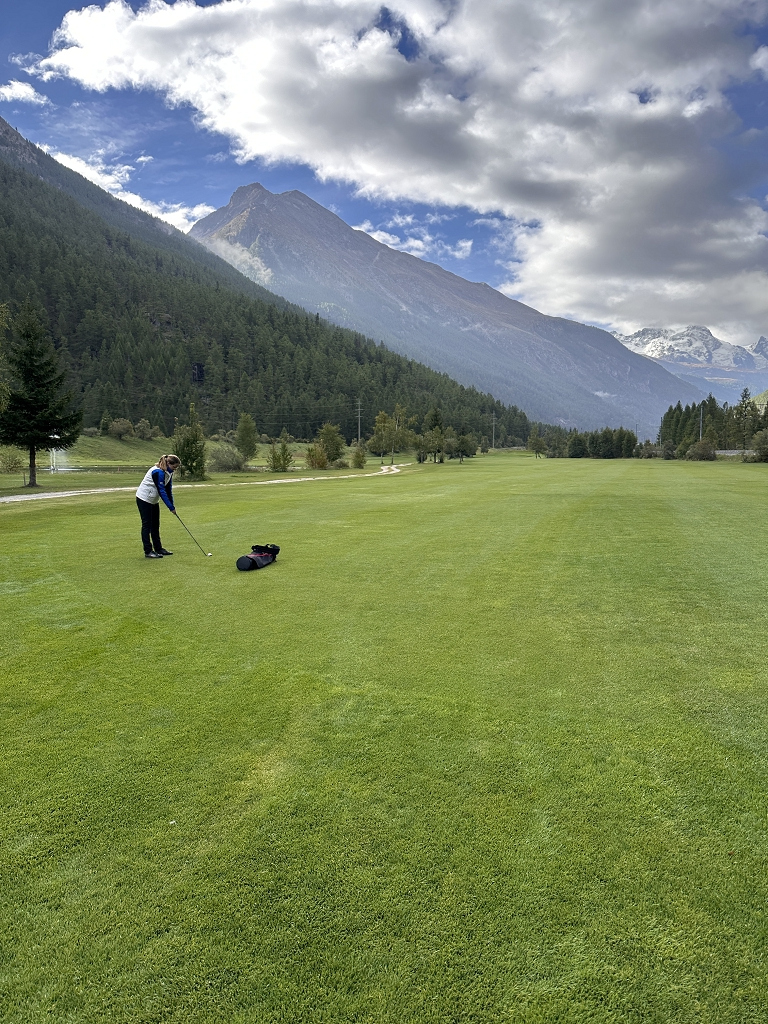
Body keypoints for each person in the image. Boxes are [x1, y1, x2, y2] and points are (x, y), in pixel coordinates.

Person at [135, 454, 181, 558]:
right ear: (168, 463)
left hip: (153, 500)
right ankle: (148, 551)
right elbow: (161, 490)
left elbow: (168, 489)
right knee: (147, 525)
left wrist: (172, 505)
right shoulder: (157, 472)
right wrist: (170, 507)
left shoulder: (168, 472)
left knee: (155, 525)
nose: (174, 470)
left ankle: (158, 548)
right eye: (174, 467)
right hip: (144, 499)